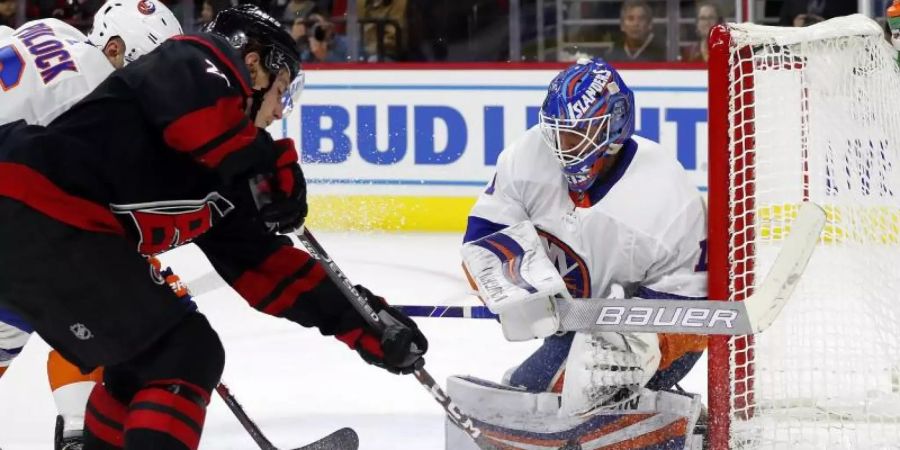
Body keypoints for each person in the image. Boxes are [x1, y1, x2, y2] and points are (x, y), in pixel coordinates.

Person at [0, 4, 427, 450]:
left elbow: (267, 267)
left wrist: (365, 323)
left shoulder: (224, 172)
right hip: (29, 200)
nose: (281, 111)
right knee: (187, 351)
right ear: (254, 65)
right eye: (284, 91)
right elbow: (185, 92)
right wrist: (262, 164)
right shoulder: (195, 59)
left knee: (139, 361)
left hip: (36, 233)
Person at [450, 57, 707, 447]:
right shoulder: (528, 154)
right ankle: (676, 420)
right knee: (537, 400)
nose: (559, 146)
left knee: (544, 402)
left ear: (614, 127)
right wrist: (518, 290)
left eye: (575, 135)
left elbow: (691, 312)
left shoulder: (667, 198)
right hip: (574, 327)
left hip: (651, 335)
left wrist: (640, 350)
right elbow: (486, 235)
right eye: (556, 132)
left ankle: (673, 427)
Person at [0, 2, 182, 448]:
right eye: (146, 66)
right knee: (97, 305)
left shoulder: (50, 27)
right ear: (115, 47)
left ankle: (80, 432)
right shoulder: (94, 96)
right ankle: (80, 434)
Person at [778, 0, 855, 27]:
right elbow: (783, 24)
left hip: (832, 43)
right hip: (797, 43)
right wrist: (795, 28)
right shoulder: (793, 2)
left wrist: (827, 24)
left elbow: (851, 22)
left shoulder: (847, 2)